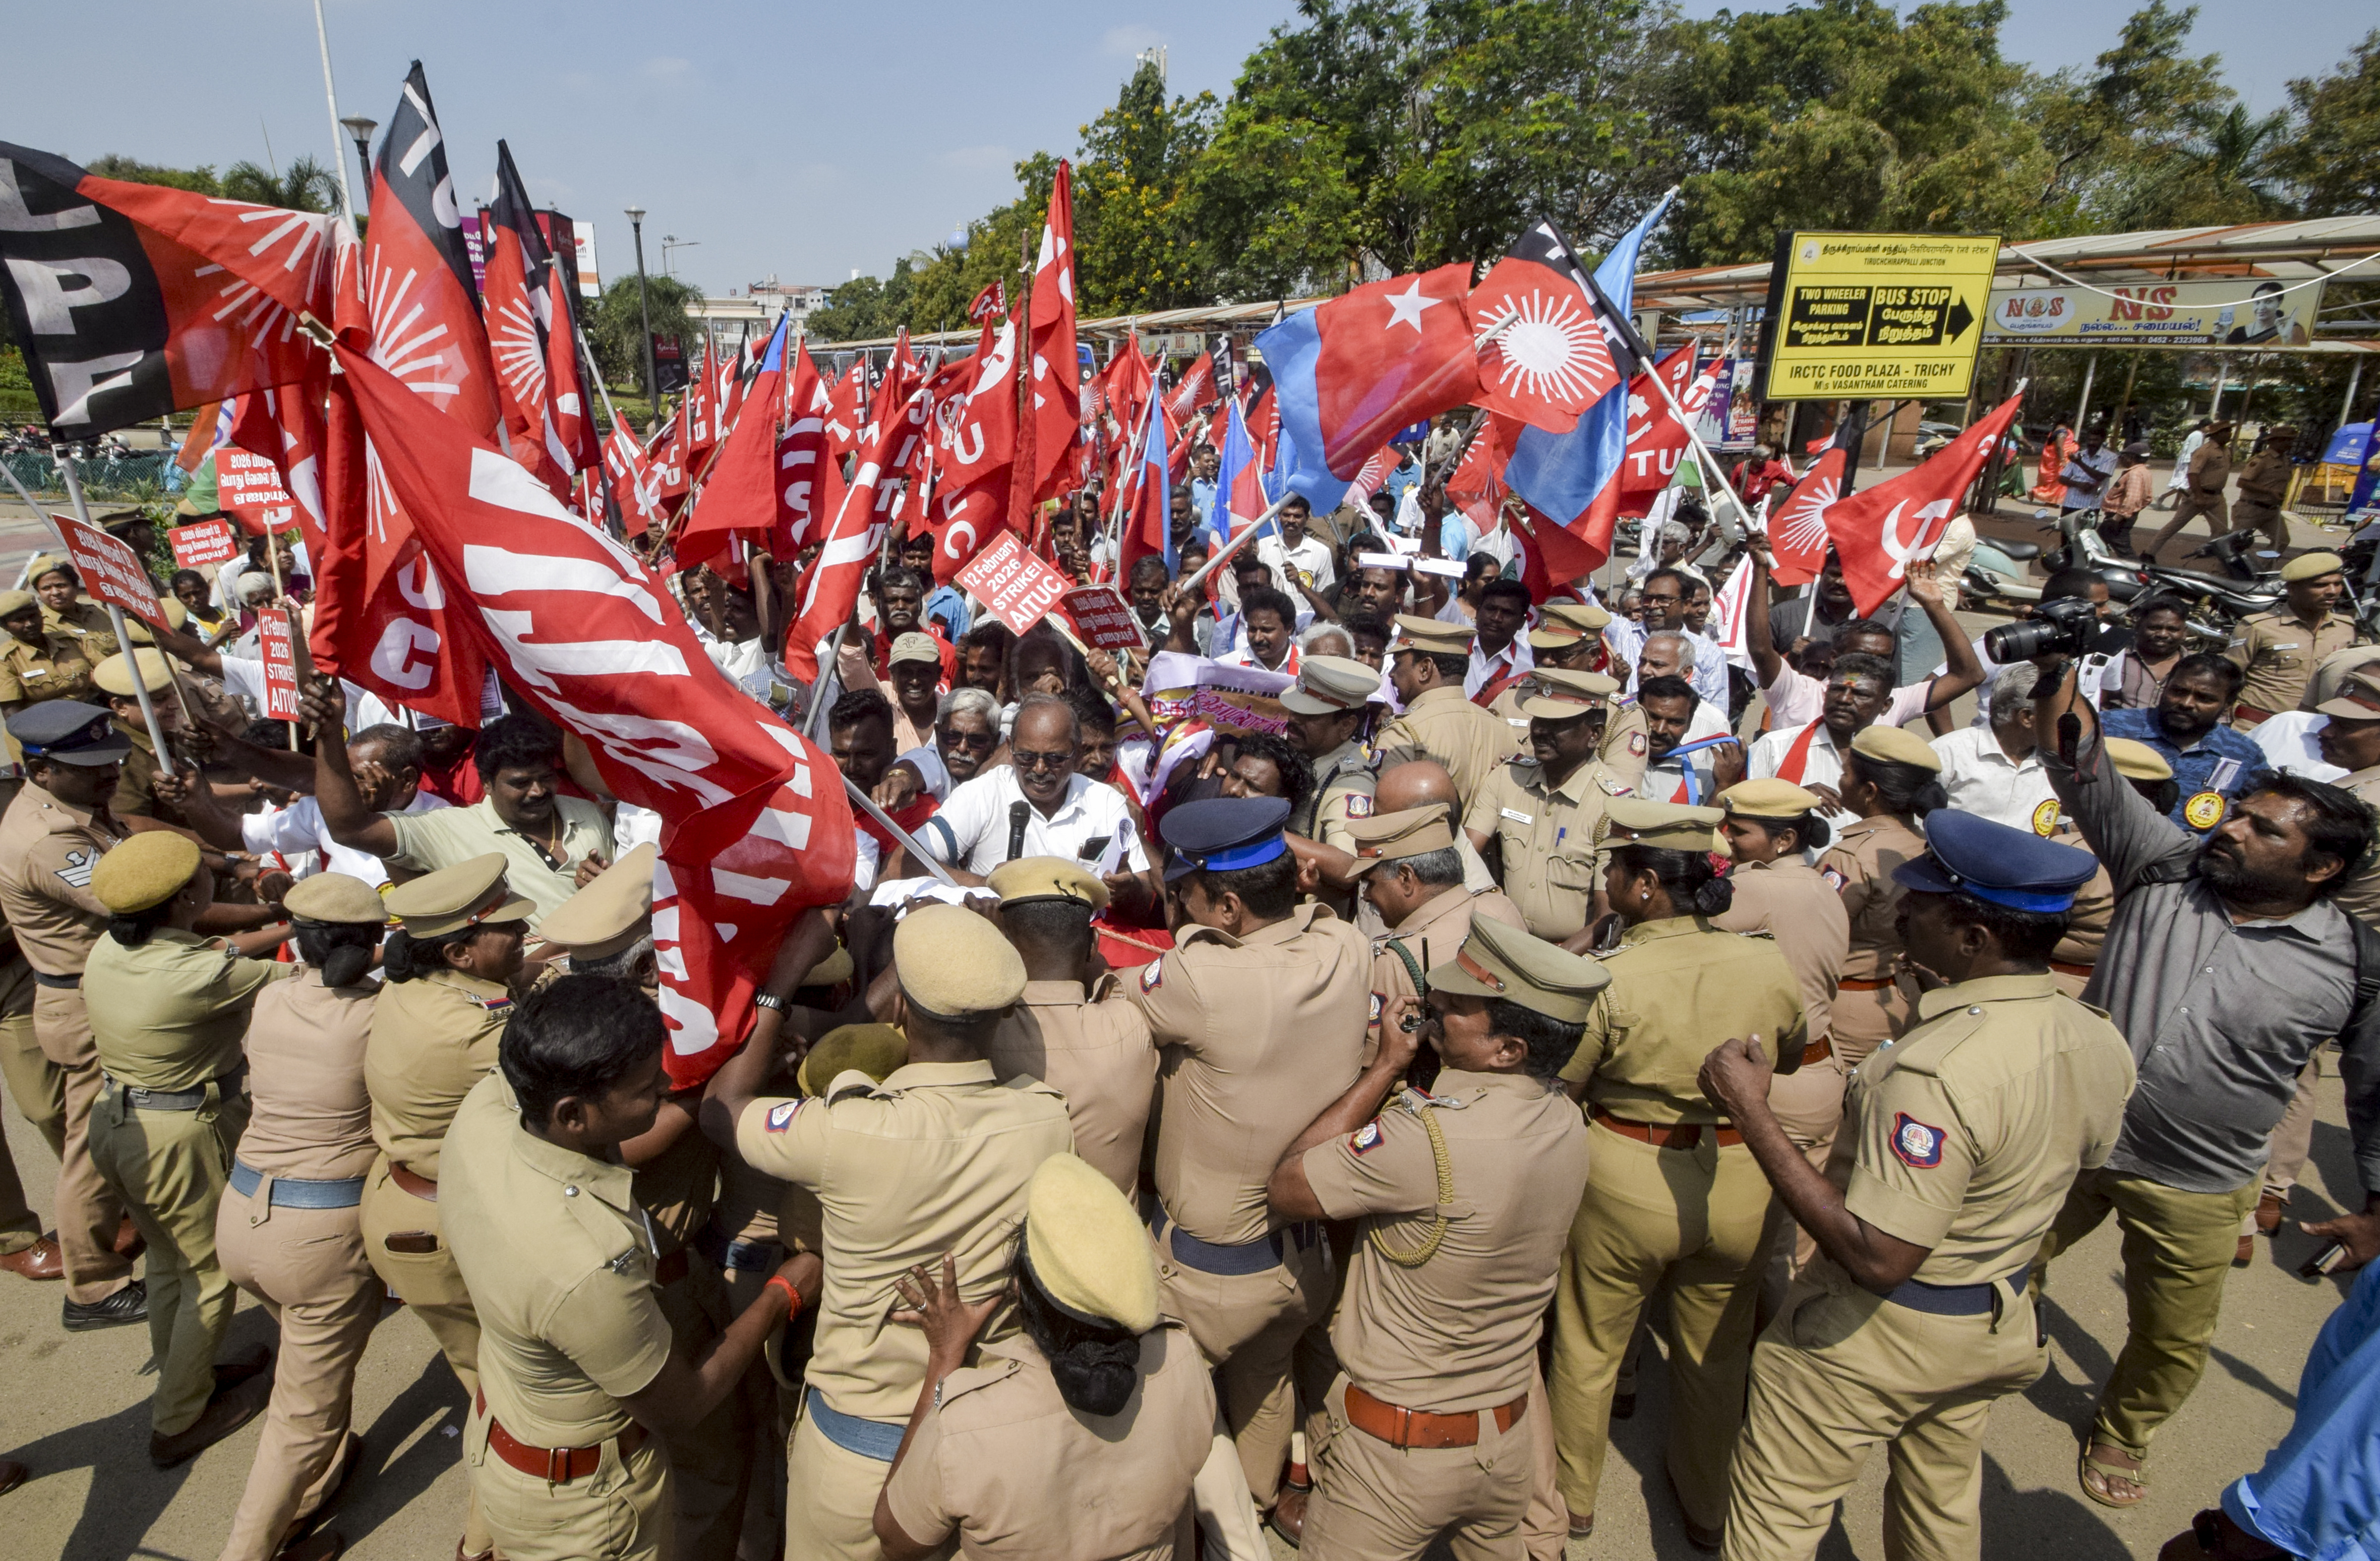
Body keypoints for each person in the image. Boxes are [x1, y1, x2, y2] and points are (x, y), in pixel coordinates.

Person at [1699, 810, 2135, 1561]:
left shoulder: (1935, 1071)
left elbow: (1878, 1254)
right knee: (1940, 1512)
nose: (1901, 913)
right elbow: (2084, 1174)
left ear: (1975, 939)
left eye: (1923, 907)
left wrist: (1750, 1109)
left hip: (1881, 1332)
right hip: (1992, 1318)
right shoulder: (2095, 1035)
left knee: (1779, 1516)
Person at [2030, 656, 2380, 1510]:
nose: (2230, 830)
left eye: (2266, 830)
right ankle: (1995, 1345)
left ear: (2322, 868)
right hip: (2075, 1141)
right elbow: (2080, 767)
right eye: (2239, 814)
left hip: (2200, 1181)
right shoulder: (2161, 866)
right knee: (2002, 1259)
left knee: (2171, 1334)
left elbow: (2373, 1092)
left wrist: (2376, 1205)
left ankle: (2123, 1426)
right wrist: (2058, 672)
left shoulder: (2355, 963)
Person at [441, 976, 824, 1561]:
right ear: (573, 1115)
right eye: (648, 1088)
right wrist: (781, 1294)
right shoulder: (585, 1265)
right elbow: (684, 1401)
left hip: (516, 1432)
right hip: (588, 1509)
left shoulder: (488, 1110)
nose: (667, 1087)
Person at [1268, 916, 1602, 1559]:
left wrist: (1387, 1065)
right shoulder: (1565, 1119)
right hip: (1504, 1445)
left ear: (1509, 1050)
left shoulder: (1425, 1140)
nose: (1435, 1010)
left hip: (1396, 1456)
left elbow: (1288, 1185)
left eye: (1456, 1009)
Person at [1549, 798, 1808, 1547]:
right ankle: (1705, 1502)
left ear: (1646, 886)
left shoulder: (1609, 976)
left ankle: (1575, 1501)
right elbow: (1785, 1055)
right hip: (1739, 1170)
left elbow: (1570, 1082)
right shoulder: (1765, 958)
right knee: (1716, 1353)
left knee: (1590, 1346)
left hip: (1627, 1170)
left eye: (1615, 872)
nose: (1608, 885)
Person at [1128, 796, 1372, 1543]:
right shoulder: (1346, 947)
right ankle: (1263, 1508)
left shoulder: (1198, 980)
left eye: (1187, 897)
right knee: (1267, 1392)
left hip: (1207, 1274)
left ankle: (1222, 1538)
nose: (1181, 909)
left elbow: (1114, 1000)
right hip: (1304, 1260)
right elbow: (1329, 897)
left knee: (1174, 1414)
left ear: (1227, 906)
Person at [872, 1155, 1216, 1561]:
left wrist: (945, 1359)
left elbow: (896, 1539)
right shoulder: (1184, 1363)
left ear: (1020, 1291)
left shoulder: (965, 1428)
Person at [83, 832, 296, 1465]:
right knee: (210, 1271)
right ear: (185, 899)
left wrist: (278, 920)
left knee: (171, 1263)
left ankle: (190, 1377)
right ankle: (178, 1419)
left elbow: (221, 949)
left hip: (119, 1123)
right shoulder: (198, 974)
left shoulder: (112, 949)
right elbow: (299, 976)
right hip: (179, 1135)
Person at [214, 872, 389, 1561]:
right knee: (299, 1418)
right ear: (371, 941)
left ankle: (314, 1489)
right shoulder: (381, 1014)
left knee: (308, 1363)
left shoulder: (270, 999)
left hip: (244, 1219)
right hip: (320, 1237)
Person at [363, 855, 533, 1561]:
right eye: (509, 929)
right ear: (462, 951)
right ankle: (485, 1543)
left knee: (483, 1378)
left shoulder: (413, 988)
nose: (523, 934)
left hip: (402, 1203)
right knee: (511, 1396)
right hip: (448, 1225)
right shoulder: (476, 1027)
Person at [0, 701, 144, 1330]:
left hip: (99, 990)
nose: (109, 772)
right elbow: (135, 896)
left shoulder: (75, 807)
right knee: (86, 1144)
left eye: (110, 758)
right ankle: (93, 1284)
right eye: (89, 767)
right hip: (84, 1003)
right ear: (41, 769)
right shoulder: (47, 836)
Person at [303, 683, 614, 926]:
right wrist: (330, 736)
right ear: (487, 783)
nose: (537, 791)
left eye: (546, 778)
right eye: (520, 783)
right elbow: (349, 828)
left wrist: (609, 887)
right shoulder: (451, 828)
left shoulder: (587, 813)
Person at [983, 858, 1157, 1198]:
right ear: (1094, 944)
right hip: (1114, 1242)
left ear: (1004, 942)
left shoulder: (982, 1035)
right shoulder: (1130, 1026)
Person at [1713, 780, 1849, 1177]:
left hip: (1770, 1081)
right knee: (1800, 1229)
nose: (1728, 839)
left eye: (1740, 831)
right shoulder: (1824, 887)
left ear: (1785, 839)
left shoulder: (1755, 887)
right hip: (1821, 1072)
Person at [915, 694, 1151, 911]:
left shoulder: (1107, 802)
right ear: (1010, 750)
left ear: (1077, 755)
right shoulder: (982, 794)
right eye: (1027, 757)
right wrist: (987, 884)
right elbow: (905, 861)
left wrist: (1128, 890)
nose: (1039, 769)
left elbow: (1145, 896)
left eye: (1055, 759)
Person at [1463, 669, 1633, 943]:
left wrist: (1550, 965)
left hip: (1571, 956)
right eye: (1539, 719)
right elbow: (1464, 861)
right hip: (1500, 941)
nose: (1540, 731)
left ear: (1595, 735)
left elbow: (1608, 919)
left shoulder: (1614, 806)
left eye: (1557, 723)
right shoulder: (1508, 778)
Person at [1818, 726, 1947, 1068]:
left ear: (1870, 791)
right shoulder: (1927, 844)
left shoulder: (1851, 856)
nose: (1841, 779)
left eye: (1847, 773)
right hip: (1908, 996)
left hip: (1850, 1009)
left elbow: (1812, 934)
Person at [1349, 805, 1527, 1050]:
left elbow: (1384, 1059)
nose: (1367, 896)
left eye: (1370, 883)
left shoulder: (1396, 962)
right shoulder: (1501, 905)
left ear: (1406, 879)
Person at [241, 724, 448, 887]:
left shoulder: (443, 822)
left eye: (360, 777)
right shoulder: (326, 809)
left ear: (407, 779)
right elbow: (239, 833)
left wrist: (380, 814)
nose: (348, 786)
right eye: (345, 776)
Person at [1375, 616, 1523, 814]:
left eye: (1398, 664)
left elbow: (1383, 812)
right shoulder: (1503, 729)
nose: (1392, 674)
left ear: (1425, 669)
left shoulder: (1404, 733)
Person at [2102, 653, 2265, 831]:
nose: (2187, 703)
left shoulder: (2243, 753)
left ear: (2228, 704)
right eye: (2179, 692)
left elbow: (2268, 805)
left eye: (2204, 698)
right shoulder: (2110, 727)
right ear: (2165, 688)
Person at [2224, 551, 2360, 728]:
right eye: (2321, 586)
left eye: (2337, 584)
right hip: (2258, 726)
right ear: (2292, 589)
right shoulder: (2258, 626)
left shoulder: (2346, 628)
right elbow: (2226, 677)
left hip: (2317, 729)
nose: (2332, 592)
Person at [1748, 653, 1896, 808]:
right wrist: (1791, 798)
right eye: (1837, 689)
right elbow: (1741, 804)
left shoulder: (1894, 761)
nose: (1844, 699)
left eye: (1860, 694)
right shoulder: (1775, 747)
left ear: (1886, 705)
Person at [1929, 664, 2057, 832]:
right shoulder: (1948, 753)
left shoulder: (2058, 762)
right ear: (2026, 717)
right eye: (2057, 711)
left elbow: (2056, 828)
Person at [1278, 656, 1380, 854]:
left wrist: (1263, 833)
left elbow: (1346, 865)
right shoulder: (1295, 747)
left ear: (1346, 726)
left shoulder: (1352, 783)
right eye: (1294, 709)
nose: (1294, 719)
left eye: (1310, 715)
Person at [0, 588, 98, 731]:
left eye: (33, 616)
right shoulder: (6, 660)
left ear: (41, 614)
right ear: (4, 626)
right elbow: (12, 713)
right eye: (19, 620)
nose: (30, 624)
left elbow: (104, 674)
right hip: (45, 729)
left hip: (90, 716)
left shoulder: (71, 641)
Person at [1638, 675, 1744, 806]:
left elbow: (1712, 825)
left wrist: (1724, 785)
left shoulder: (1704, 777)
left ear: (1689, 724)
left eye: (1675, 722)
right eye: (1653, 718)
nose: (1660, 730)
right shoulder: (1610, 759)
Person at [2144, 421, 2235, 560]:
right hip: (2198, 495)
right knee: (2175, 525)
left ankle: (2219, 563)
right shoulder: (2205, 451)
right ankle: (2149, 553)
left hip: (2217, 497)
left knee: (2222, 531)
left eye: (2230, 430)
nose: (2230, 434)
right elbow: (2193, 474)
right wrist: (2198, 496)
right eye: (2226, 431)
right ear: (2216, 434)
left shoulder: (2227, 451)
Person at [2102, 594, 2191, 710]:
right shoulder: (2115, 656)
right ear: (2138, 626)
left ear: (2185, 633)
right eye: (2154, 628)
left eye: (2172, 629)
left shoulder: (2195, 666)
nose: (2163, 635)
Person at [1463, 578, 1534, 698]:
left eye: (1507, 613)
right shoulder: (1455, 649)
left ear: (1521, 623)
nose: (1496, 618)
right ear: (1478, 611)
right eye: (1491, 609)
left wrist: (1501, 703)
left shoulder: (1527, 667)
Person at [2099, 440, 2158, 557]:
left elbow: (2132, 499)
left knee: (2122, 548)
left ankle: (2137, 571)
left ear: (2131, 458)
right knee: (2098, 541)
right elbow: (2147, 499)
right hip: (2125, 515)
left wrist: (2117, 518)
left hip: (2119, 517)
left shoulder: (2134, 474)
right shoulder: (2144, 472)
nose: (2120, 459)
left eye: (2123, 456)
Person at [2060, 423, 2117, 515]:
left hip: (2092, 505)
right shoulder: (2078, 455)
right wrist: (2078, 484)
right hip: (2071, 502)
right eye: (2090, 440)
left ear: (2103, 440)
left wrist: (2080, 463)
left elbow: (2099, 477)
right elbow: (2062, 479)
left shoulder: (2110, 457)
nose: (2091, 443)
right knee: (2065, 528)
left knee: (2087, 529)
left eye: (2095, 440)